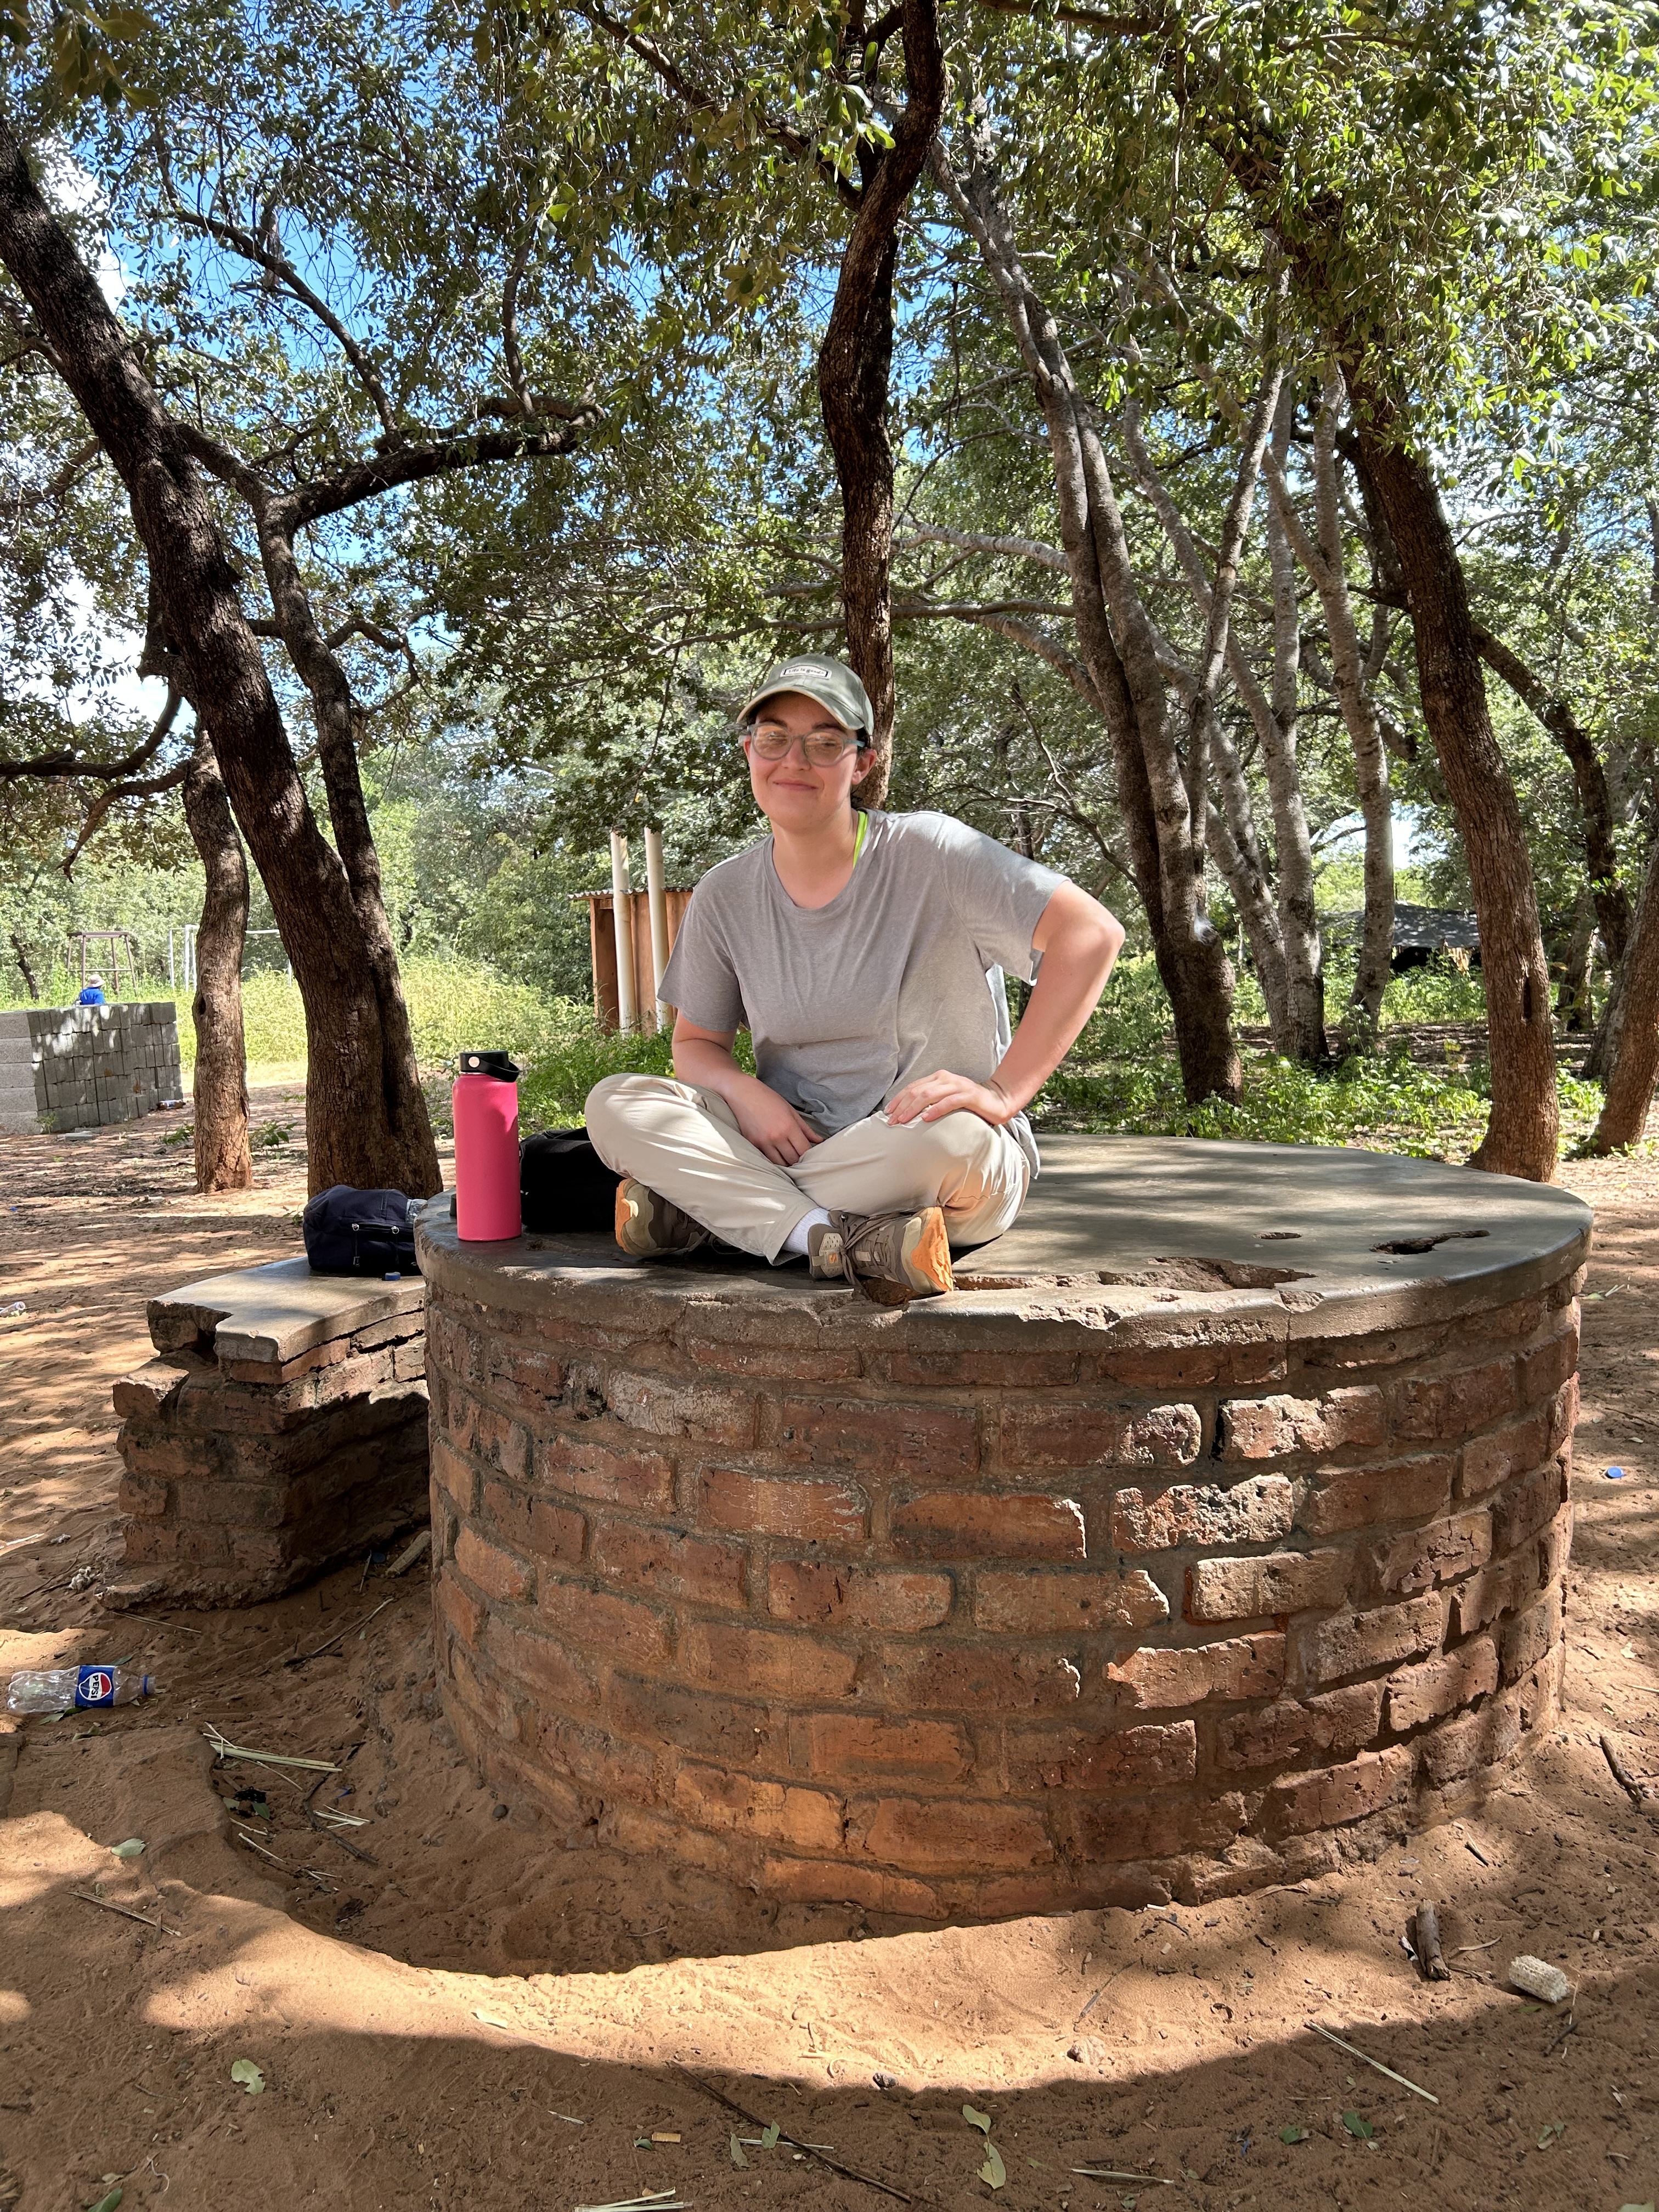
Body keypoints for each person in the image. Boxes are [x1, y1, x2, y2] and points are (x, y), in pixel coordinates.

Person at [585, 653, 1125, 1300]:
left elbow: (1091, 936)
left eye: (825, 742)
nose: (795, 761)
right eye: (774, 738)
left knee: (945, 1143)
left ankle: (719, 1217)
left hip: (929, 1151)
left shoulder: (933, 852)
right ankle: (829, 1235)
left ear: (861, 762)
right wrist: (745, 1093)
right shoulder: (725, 894)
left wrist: (1005, 1095)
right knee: (617, 1104)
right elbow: (695, 1048)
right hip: (791, 1143)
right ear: (748, 750)